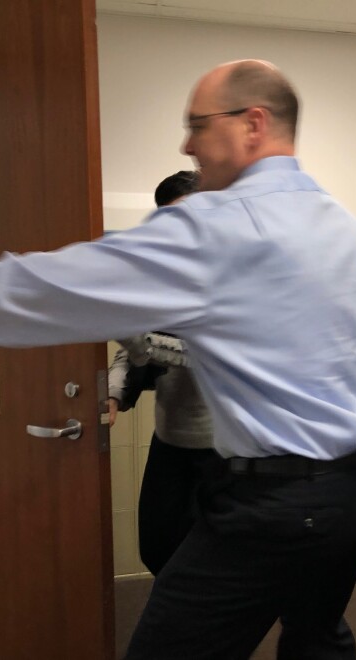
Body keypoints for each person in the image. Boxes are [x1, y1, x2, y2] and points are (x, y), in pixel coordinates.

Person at [0, 59, 356, 659]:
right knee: (316, 635)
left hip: (283, 506)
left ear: (252, 124)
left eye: (197, 124)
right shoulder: (344, 226)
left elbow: (36, 289)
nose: (187, 143)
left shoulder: (220, 226)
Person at [107, 170, 219, 577]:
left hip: (226, 449)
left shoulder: (231, 279)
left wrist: (136, 340)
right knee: (157, 550)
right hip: (171, 441)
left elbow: (205, 354)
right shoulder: (157, 280)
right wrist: (114, 392)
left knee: (219, 560)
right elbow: (133, 347)